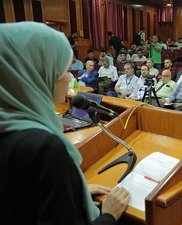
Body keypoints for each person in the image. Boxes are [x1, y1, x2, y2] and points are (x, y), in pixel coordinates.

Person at [0, 21, 130, 225]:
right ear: (33, 73)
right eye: (61, 70)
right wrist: (109, 216)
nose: (69, 79)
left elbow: (23, 200)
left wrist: (73, 190)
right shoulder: (43, 147)